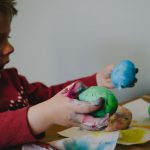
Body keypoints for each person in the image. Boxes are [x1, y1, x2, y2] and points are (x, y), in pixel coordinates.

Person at [0, 0, 137, 149]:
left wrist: (96, 80)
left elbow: (51, 97)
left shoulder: (12, 80)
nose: (9, 48)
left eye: (8, 37)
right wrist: (45, 114)